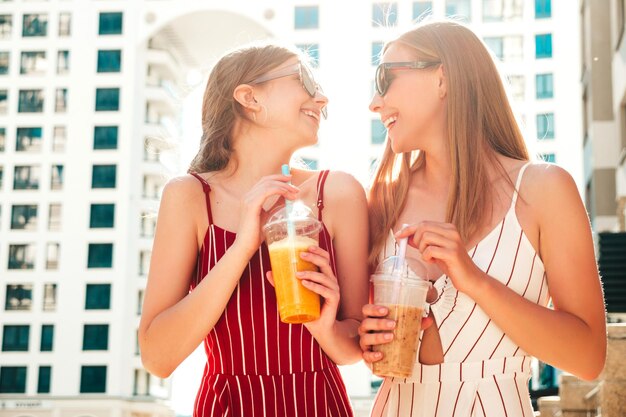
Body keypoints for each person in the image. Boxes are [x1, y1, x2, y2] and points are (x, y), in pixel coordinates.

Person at [359, 20, 606, 416]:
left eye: (385, 78)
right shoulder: (382, 201)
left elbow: (588, 358)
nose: (374, 102)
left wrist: (474, 280)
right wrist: (368, 339)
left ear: (443, 78)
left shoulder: (545, 191)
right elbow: (368, 344)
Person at [138, 43, 369, 417]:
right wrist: (243, 247)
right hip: (227, 407)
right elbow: (157, 357)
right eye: (305, 81)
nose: (322, 98)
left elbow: (353, 347)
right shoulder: (190, 196)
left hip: (318, 404)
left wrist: (323, 326)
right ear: (249, 97)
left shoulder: (339, 193)